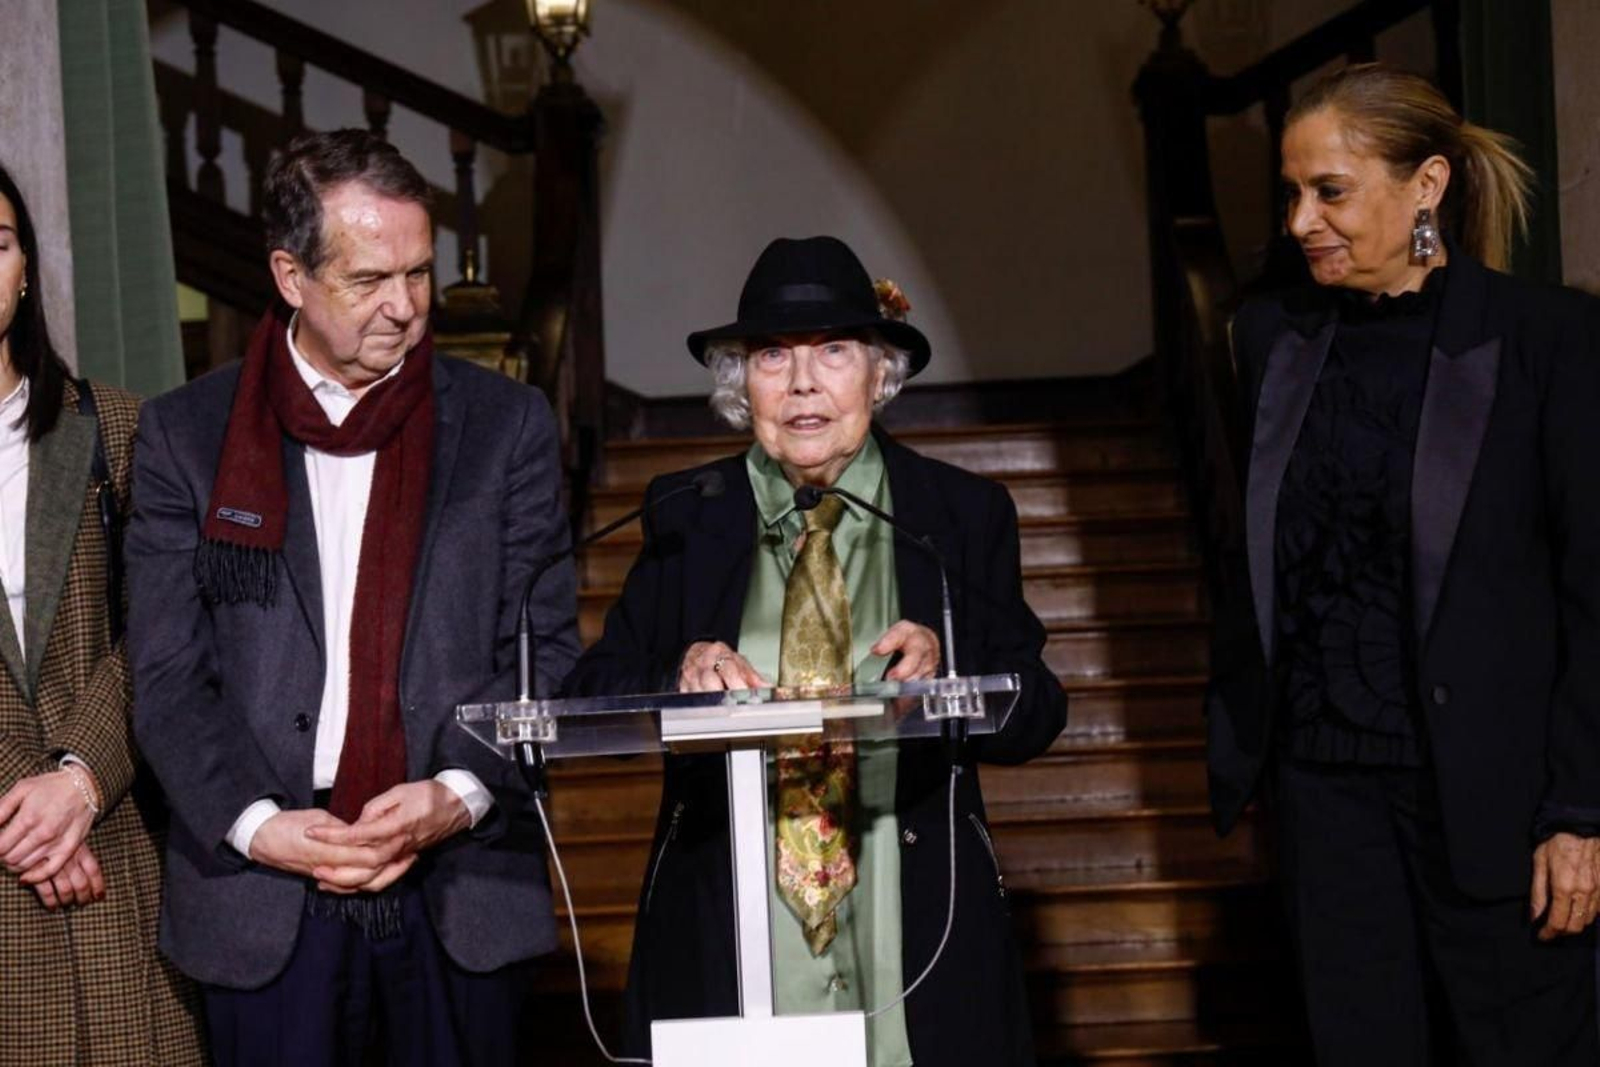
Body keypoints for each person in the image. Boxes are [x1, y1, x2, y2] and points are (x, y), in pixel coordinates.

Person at [126, 129, 580, 1066]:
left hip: (459, 885)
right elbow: (167, 675)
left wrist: (458, 792)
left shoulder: (507, 426)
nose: (404, 307)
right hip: (262, 894)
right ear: (290, 276)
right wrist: (258, 825)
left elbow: (544, 651)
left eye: (418, 274)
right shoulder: (186, 436)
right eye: (369, 279)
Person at [564, 235, 1066, 1066]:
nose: (802, 382)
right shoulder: (687, 512)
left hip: (915, 930)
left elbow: (1038, 710)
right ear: (742, 384)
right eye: (772, 355)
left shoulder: (959, 513)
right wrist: (677, 674)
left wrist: (951, 665)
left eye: (833, 351)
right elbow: (593, 688)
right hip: (728, 930)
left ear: (879, 373)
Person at [1205, 63, 1600, 1065]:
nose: (1301, 221)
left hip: (1502, 811)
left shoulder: (1545, 338)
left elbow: (1592, 593)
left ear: (1426, 185)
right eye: (1293, 192)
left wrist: (1579, 811)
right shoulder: (1270, 338)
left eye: (1329, 191)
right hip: (1324, 804)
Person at [0, 164, 205, 1063]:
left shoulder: (117, 427)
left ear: (25, 270)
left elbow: (170, 629)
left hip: (119, 850)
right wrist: (29, 817)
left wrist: (80, 780)